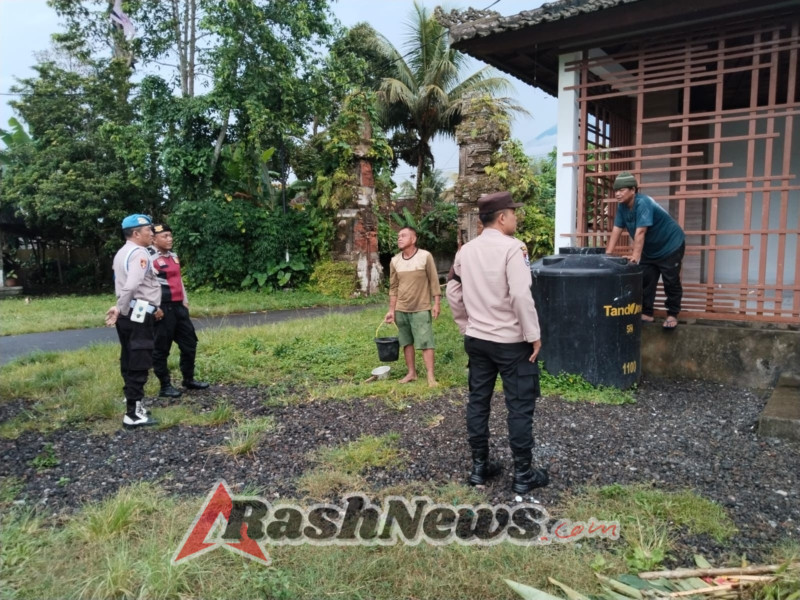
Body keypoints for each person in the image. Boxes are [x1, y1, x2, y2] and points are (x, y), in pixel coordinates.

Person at [446, 191, 548, 493]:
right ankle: (523, 474)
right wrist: (534, 335)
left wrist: (467, 325)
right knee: (518, 406)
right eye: (513, 213)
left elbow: (453, 291)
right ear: (502, 217)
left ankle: (479, 468)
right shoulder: (514, 249)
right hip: (511, 341)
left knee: (478, 402)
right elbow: (519, 294)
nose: (516, 217)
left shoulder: (465, 251)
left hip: (478, 340)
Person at [605, 172, 686, 330]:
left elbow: (640, 232)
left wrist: (636, 256)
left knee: (671, 280)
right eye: (616, 190)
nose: (618, 194)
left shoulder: (644, 203)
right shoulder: (622, 207)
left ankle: (672, 314)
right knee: (646, 279)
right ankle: (647, 313)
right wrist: (606, 255)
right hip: (651, 249)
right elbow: (616, 230)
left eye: (622, 190)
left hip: (670, 244)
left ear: (633, 190)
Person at [107, 214, 162, 429]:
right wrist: (120, 308)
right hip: (137, 313)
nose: (152, 234)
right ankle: (133, 413)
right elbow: (131, 286)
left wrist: (119, 307)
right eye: (149, 230)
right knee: (139, 360)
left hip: (128, 312)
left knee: (129, 358)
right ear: (136, 233)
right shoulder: (140, 253)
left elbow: (120, 286)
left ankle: (133, 403)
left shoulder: (122, 252)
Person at [149, 224, 209, 398]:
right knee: (161, 348)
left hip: (178, 307)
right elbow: (145, 284)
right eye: (165, 236)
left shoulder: (173, 256)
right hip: (162, 307)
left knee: (189, 343)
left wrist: (185, 300)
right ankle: (165, 385)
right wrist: (153, 306)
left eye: (170, 235)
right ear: (154, 239)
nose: (169, 239)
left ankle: (188, 379)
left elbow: (178, 279)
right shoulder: (148, 257)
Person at [384, 226, 441, 387]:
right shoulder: (395, 260)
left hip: (421, 307)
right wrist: (391, 310)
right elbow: (393, 287)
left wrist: (436, 303)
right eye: (398, 236)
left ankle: (431, 376)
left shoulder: (425, 256)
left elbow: (434, 281)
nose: (399, 238)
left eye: (403, 235)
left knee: (426, 342)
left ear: (413, 239)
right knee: (406, 341)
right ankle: (411, 373)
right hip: (401, 308)